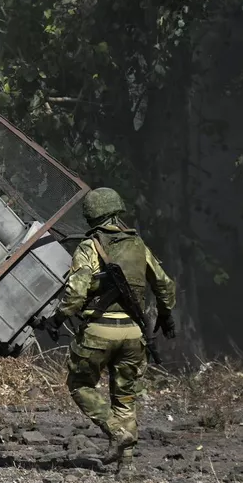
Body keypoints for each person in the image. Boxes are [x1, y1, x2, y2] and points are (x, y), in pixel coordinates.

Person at [61, 186, 176, 464]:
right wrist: (165, 314)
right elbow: (164, 284)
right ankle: (128, 467)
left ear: (90, 216)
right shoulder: (139, 246)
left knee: (79, 384)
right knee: (125, 397)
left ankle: (115, 431)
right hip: (134, 333)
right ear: (117, 210)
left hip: (99, 331)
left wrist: (61, 314)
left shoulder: (90, 246)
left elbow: (76, 293)